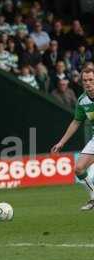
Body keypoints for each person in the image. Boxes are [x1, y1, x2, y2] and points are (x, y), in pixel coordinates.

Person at [51, 65, 94, 210]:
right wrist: (61, 142)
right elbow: (76, 122)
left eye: (91, 80)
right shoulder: (82, 101)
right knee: (79, 168)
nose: (88, 83)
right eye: (85, 80)